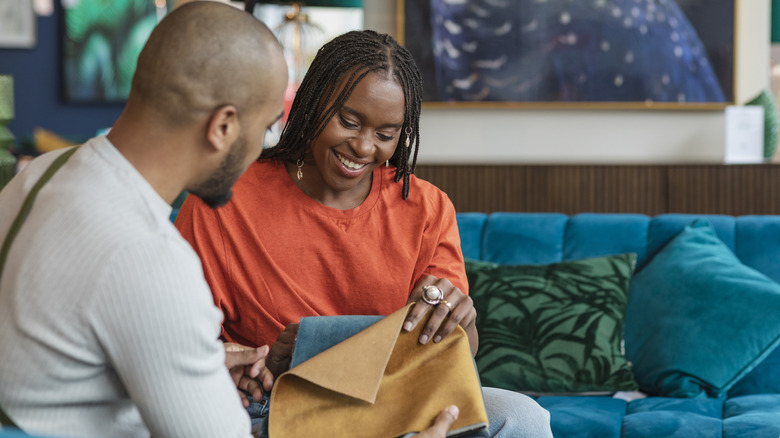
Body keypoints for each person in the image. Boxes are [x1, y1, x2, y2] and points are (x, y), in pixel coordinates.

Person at [0, 4, 456, 437]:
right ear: (222, 127)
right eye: (265, 127)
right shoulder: (149, 256)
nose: (266, 148)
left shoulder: (41, 175)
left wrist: (200, 362)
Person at [175, 29, 553, 437]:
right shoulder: (224, 200)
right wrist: (263, 365)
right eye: (349, 121)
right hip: (266, 403)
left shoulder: (426, 207)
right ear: (313, 101)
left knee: (524, 417)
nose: (363, 147)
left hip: (392, 399)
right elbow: (174, 342)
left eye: (386, 135)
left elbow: (458, 349)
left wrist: (461, 319)